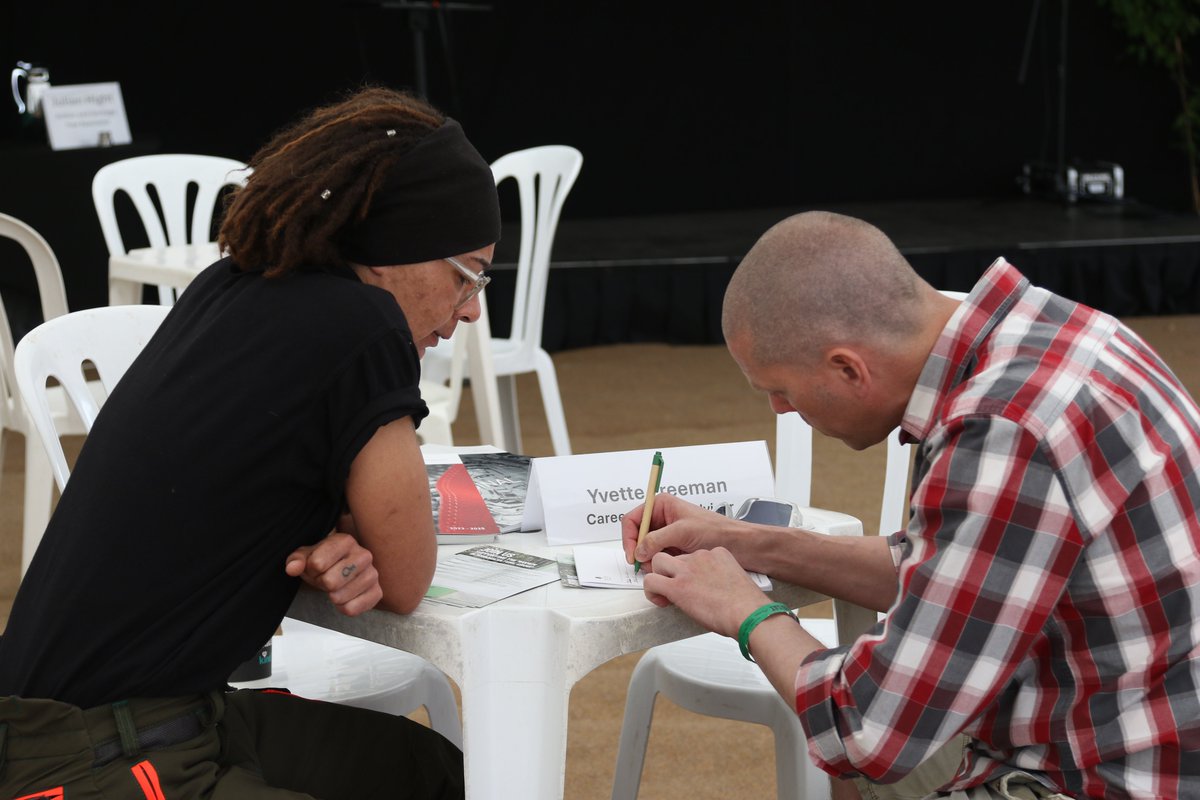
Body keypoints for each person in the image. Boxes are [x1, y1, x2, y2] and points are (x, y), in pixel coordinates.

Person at [0, 86, 500, 799]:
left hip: (130, 720)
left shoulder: (231, 287)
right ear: (399, 249)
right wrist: (351, 528)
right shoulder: (362, 327)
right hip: (97, 759)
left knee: (433, 774)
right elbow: (410, 571)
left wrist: (338, 526)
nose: (472, 307)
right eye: (468, 274)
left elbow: (258, 481)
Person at [623, 211, 1200, 800]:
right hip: (1141, 723)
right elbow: (952, 575)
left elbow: (868, 728)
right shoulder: (1049, 331)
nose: (779, 409)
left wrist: (746, 611)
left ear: (848, 368)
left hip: (1114, 774)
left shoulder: (1003, 431)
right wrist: (747, 541)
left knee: (852, 758)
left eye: (781, 390)